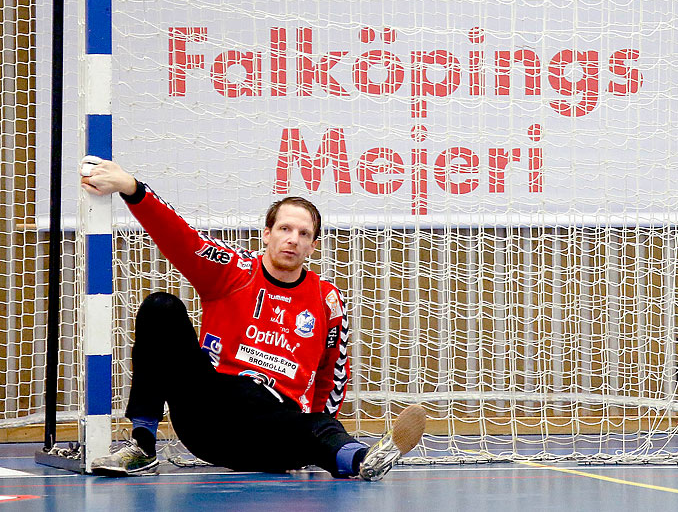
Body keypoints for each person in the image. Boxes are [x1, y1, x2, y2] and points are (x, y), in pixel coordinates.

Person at [78, 156, 425, 479]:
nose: (293, 240)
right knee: (160, 307)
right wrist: (132, 188)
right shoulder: (233, 270)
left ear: (313, 246)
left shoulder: (326, 298)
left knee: (318, 425)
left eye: (304, 234)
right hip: (209, 413)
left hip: (272, 427)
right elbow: (180, 237)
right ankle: (142, 444)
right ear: (267, 234)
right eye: (285, 229)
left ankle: (362, 460)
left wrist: (315, 436)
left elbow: (333, 376)